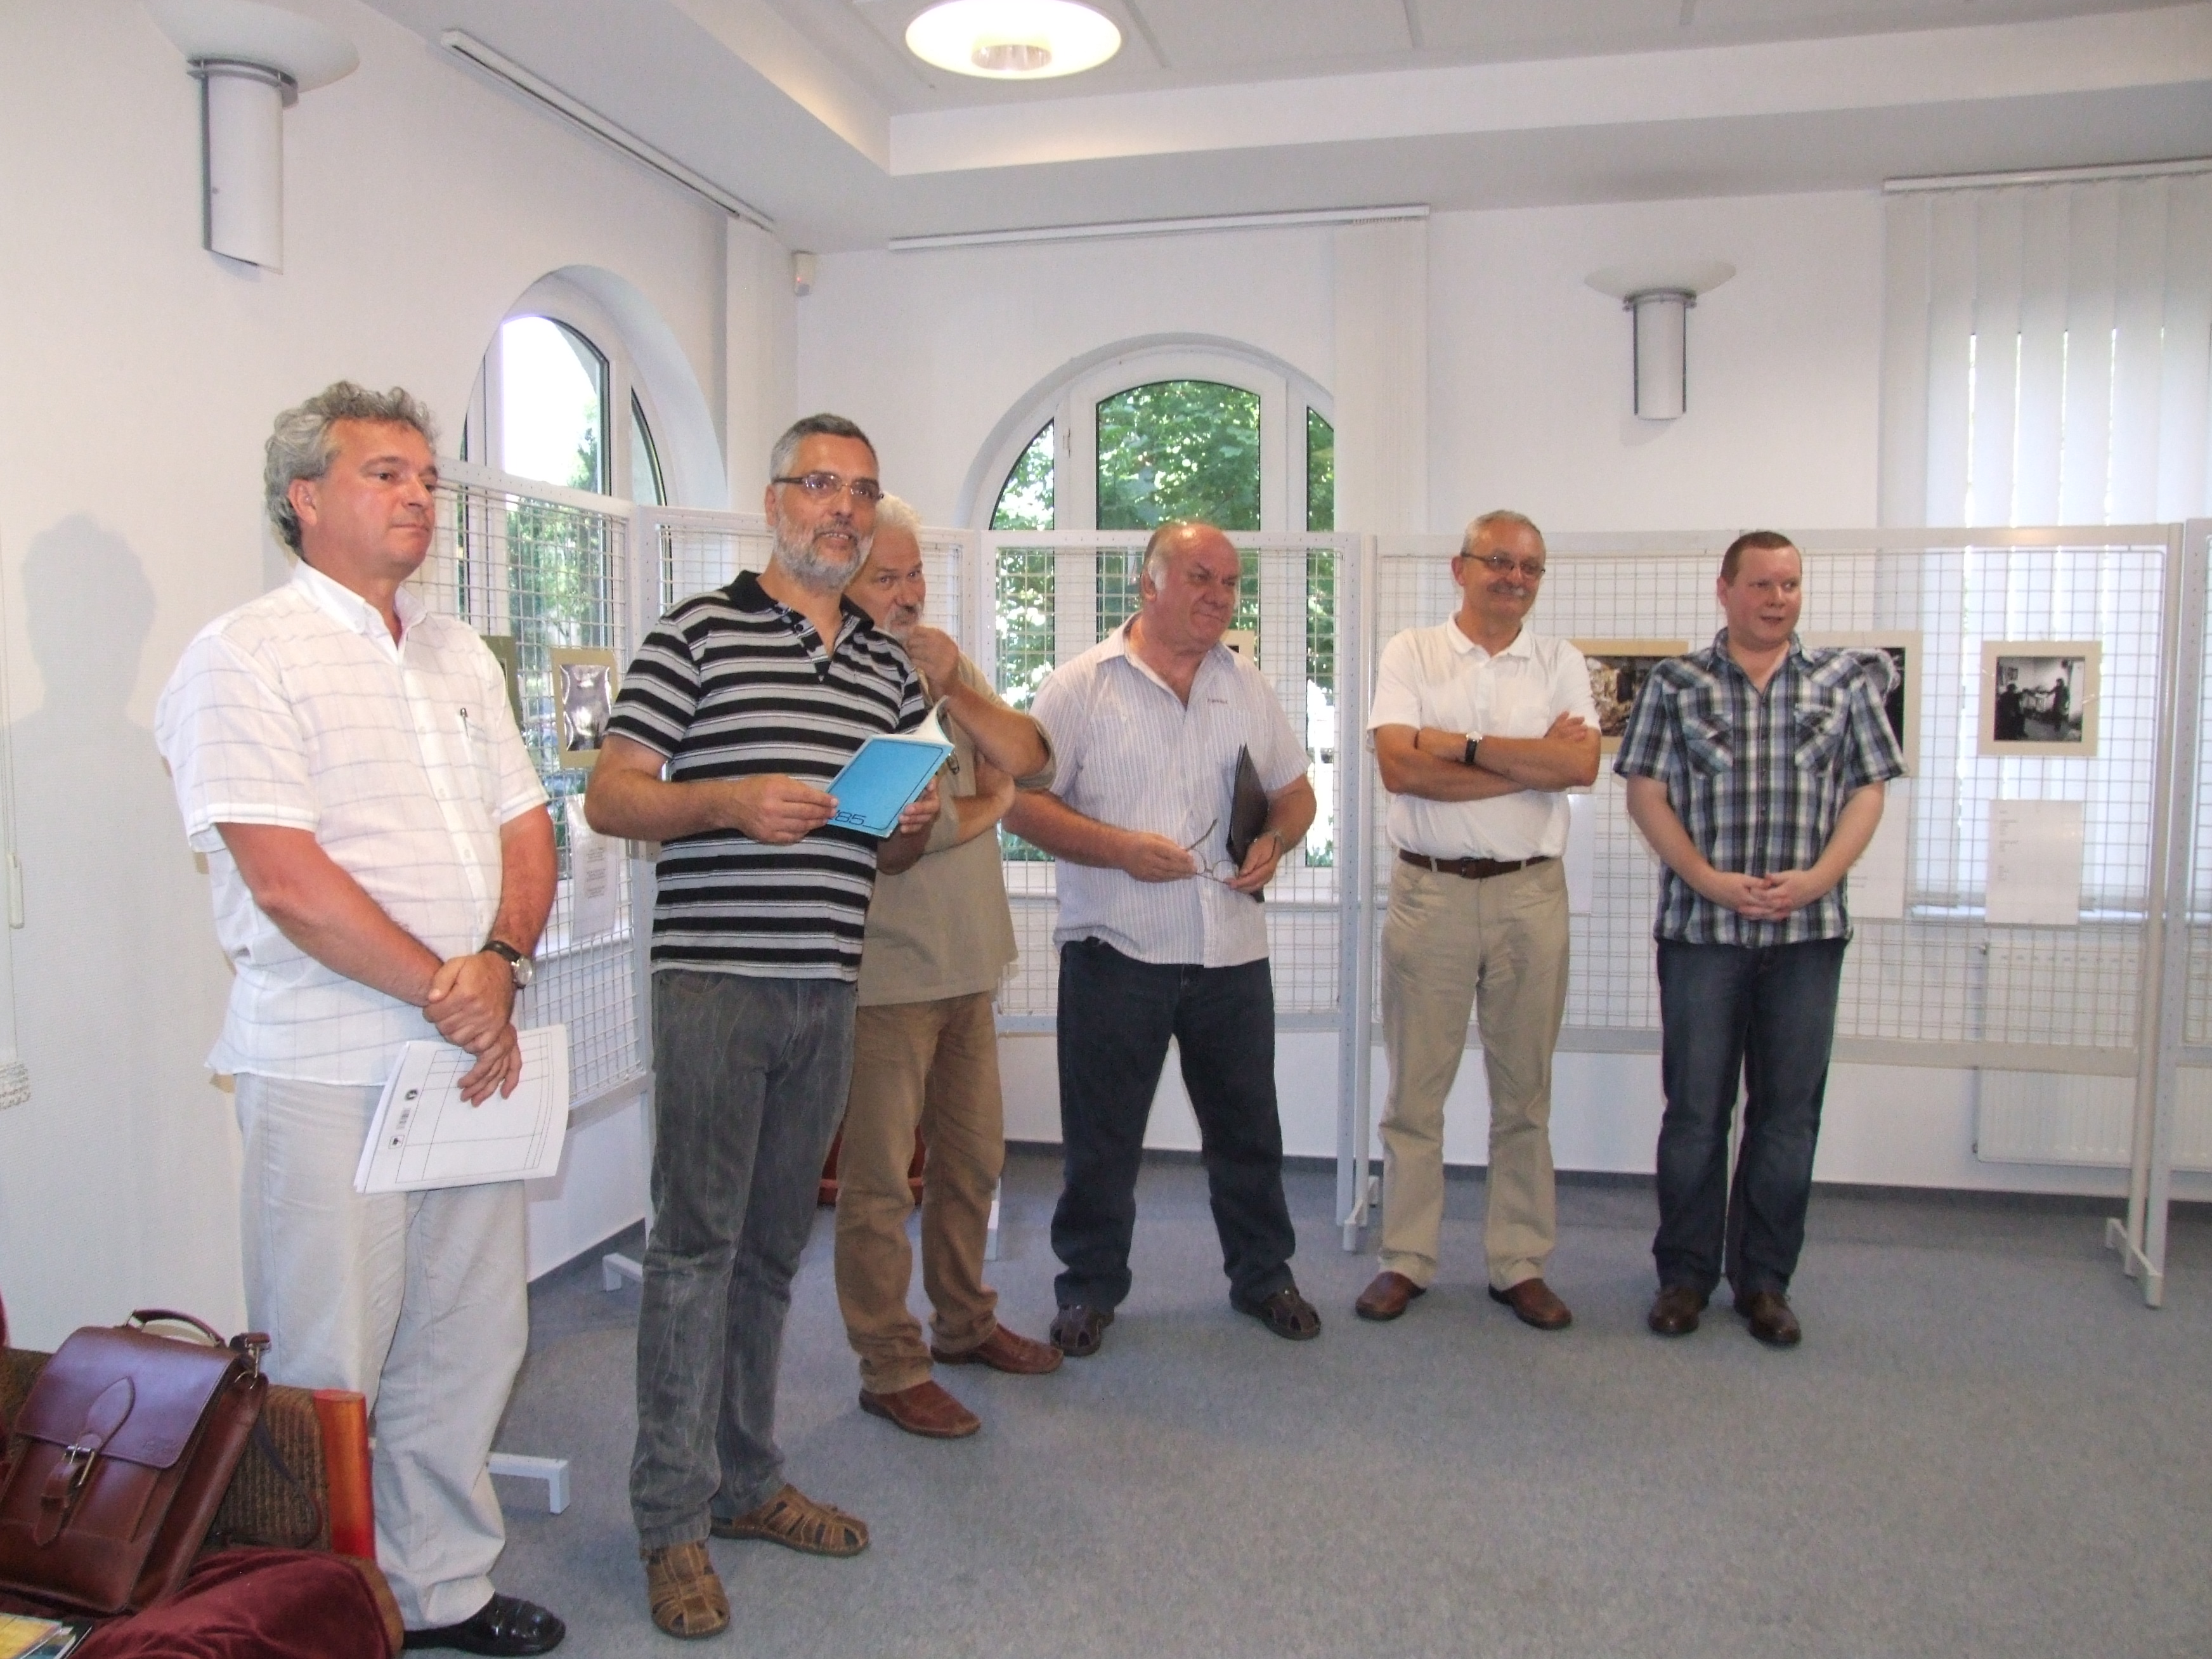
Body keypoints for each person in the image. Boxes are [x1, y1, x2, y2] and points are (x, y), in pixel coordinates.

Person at [154, 383, 564, 1655]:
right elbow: (286, 881)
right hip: (331, 1065)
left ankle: (439, 1589)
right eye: (386, 474)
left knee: (468, 1336)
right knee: (327, 1361)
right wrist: (452, 988)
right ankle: (319, 1612)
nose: (419, 497)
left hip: (468, 1058)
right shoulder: (243, 656)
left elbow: (528, 827)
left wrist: (501, 962)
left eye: (428, 478)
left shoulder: (457, 653)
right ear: (306, 498)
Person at [583, 414, 939, 1641]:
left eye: (863, 491)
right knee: (693, 1253)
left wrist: (907, 823)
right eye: (821, 485)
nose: (843, 509)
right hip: (714, 987)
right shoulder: (695, 635)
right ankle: (669, 1523)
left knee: (773, 1253)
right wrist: (730, 800)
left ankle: (744, 1481)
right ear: (775, 501)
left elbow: (893, 851)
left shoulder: (890, 670)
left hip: (827, 989)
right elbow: (611, 796)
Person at [1003, 520, 1320, 1358]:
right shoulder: (1080, 687)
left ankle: (1265, 1276)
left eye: (1230, 582)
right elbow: (1018, 803)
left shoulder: (1245, 685)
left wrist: (1275, 839)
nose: (1220, 596)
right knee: (1101, 1144)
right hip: (1117, 951)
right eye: (1200, 577)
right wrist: (1119, 851)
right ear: (1149, 584)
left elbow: (1296, 794)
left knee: (1249, 1135)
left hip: (1230, 953)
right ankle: (1087, 1289)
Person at [1616, 531, 1904, 1348]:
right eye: (1762, 584)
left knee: (1786, 1120)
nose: (1778, 599)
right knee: (1695, 1116)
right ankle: (1684, 1278)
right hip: (1702, 933)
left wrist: (1819, 879)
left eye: (1791, 585)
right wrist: (1706, 878)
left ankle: (1765, 1282)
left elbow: (1868, 793)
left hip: (1808, 936)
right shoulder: (1676, 683)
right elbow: (1645, 795)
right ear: (1725, 589)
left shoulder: (1842, 683)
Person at [833, 497, 1062, 1440]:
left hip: (971, 963)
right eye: (886, 578)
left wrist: (958, 693)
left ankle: (965, 1325)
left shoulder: (940, 660)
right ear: (840, 579)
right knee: (880, 1188)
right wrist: (993, 804)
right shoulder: (836, 676)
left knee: (972, 1164)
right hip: (885, 978)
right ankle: (890, 1366)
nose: (908, 593)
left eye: (915, 573)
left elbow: (1033, 758)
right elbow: (896, 836)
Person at [1355, 511, 1599, 1330]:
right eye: (1499, 561)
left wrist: (1456, 746)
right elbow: (1400, 768)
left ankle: (1519, 1262)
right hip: (1432, 894)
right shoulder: (1411, 652)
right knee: (1415, 1095)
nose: (1515, 578)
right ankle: (1406, 1258)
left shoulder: (1560, 662)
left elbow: (1580, 765)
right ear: (1461, 569)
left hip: (1532, 896)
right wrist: (1528, 764)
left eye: (1530, 566)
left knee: (1524, 1095)